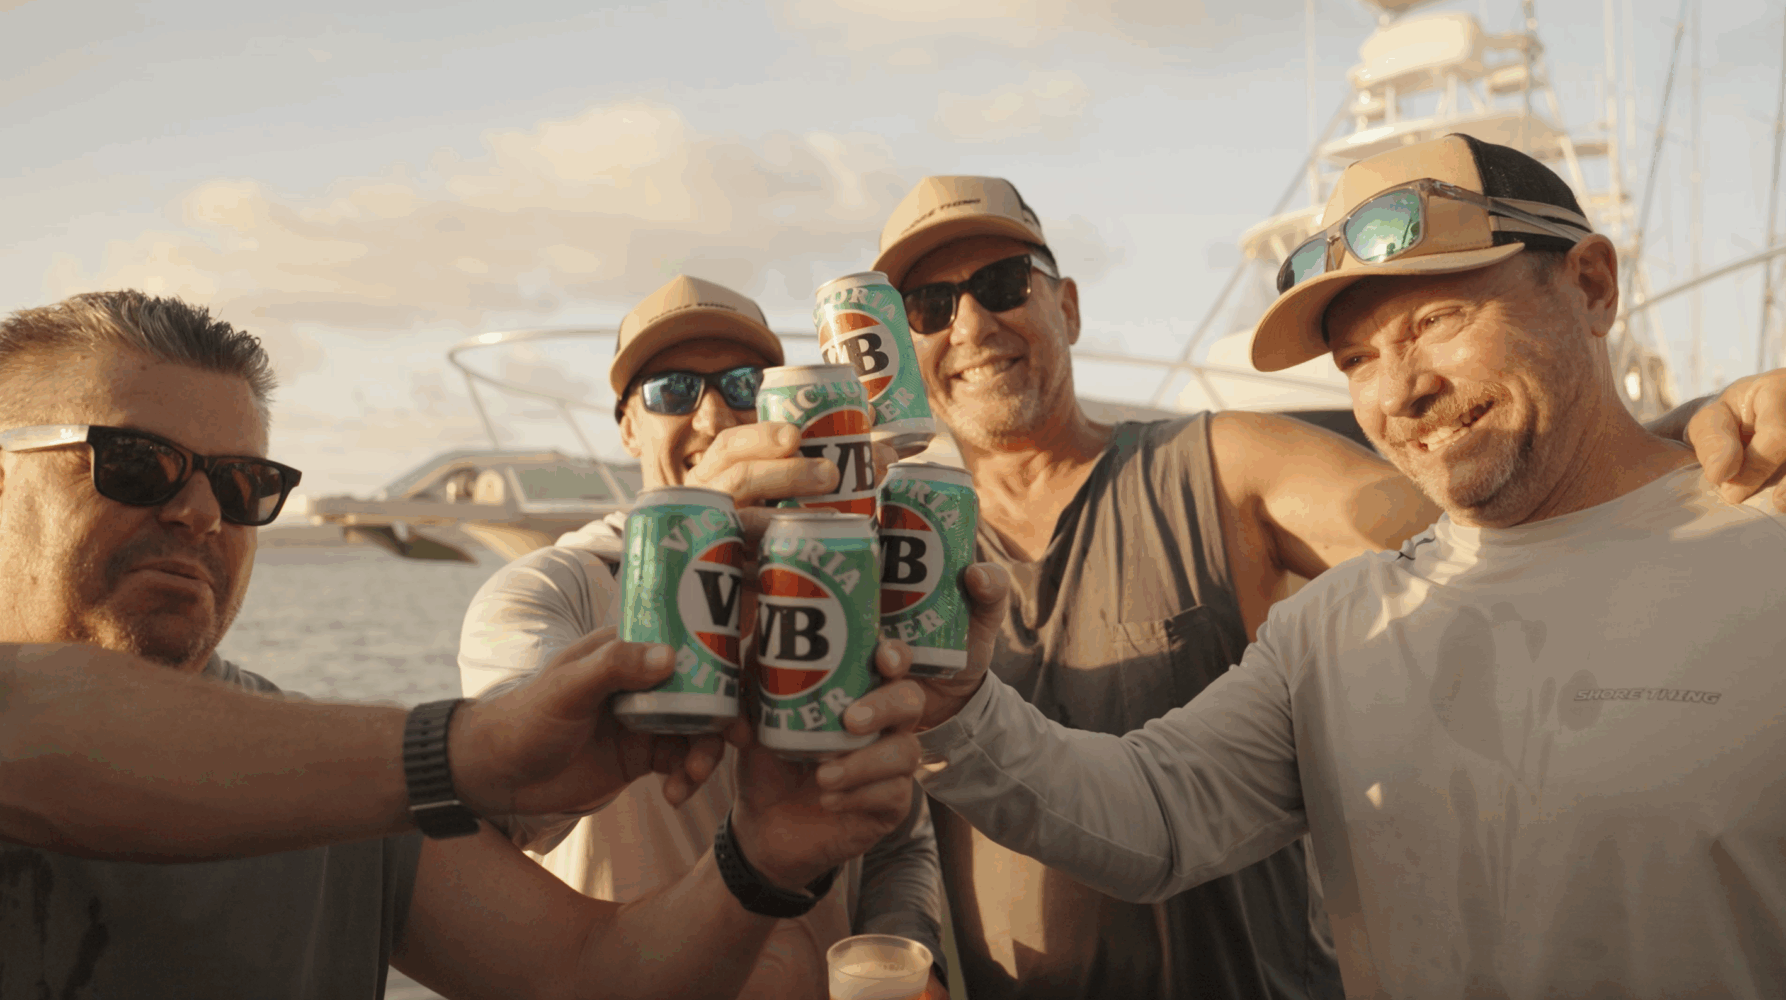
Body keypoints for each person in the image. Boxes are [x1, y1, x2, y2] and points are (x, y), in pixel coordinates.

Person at [867, 170, 1786, 999]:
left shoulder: (1761, 544)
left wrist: (1677, 464)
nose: (1399, 391)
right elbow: (1152, 813)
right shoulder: (1335, 633)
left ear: (1591, 286)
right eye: (1355, 360)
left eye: (1437, 320)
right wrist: (956, 708)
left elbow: (1554, 524)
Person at [0, 289, 938, 1000]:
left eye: (242, 483)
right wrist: (470, 749)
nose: (200, 510)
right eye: (134, 462)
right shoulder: (381, 760)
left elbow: (592, 974)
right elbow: (37, 720)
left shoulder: (329, 776)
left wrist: (764, 857)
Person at [458, 274, 950, 1000]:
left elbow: (900, 837)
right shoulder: (548, 588)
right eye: (671, 391)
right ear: (627, 425)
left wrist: (914, 963)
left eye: (745, 384)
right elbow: (508, 796)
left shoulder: (847, 586)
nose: (715, 415)